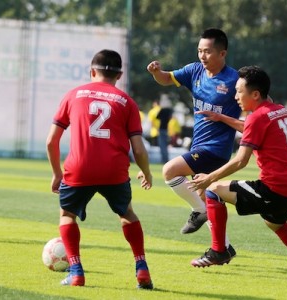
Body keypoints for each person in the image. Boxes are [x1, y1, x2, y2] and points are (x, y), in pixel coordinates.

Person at [188, 65, 287, 276]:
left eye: (239, 91)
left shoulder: (257, 118)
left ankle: (218, 251)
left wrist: (208, 178)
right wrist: (222, 118)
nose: (235, 97)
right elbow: (254, 128)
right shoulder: (279, 110)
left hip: (274, 189)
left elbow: (241, 161)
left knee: (214, 190)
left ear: (256, 94)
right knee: (275, 222)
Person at [46, 49, 154, 289]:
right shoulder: (127, 102)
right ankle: (142, 268)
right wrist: (146, 172)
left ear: (92, 71)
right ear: (120, 75)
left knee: (66, 215)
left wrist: (57, 173)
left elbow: (51, 141)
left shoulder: (73, 95)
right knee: (127, 214)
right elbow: (138, 149)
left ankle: (76, 272)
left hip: (79, 168)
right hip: (114, 170)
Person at [147, 28, 242, 257]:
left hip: (217, 149)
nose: (202, 56)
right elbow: (166, 79)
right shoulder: (194, 71)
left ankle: (198, 212)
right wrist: (156, 72)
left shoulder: (235, 80)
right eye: (199, 50)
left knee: (170, 171)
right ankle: (224, 247)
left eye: (207, 52)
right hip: (198, 146)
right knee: (208, 198)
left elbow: (261, 100)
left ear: (222, 53)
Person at [157, 96, 173, 163]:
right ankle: (166, 159)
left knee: (162, 145)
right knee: (165, 145)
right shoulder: (170, 110)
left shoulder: (162, 110)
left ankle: (163, 160)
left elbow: (157, 117)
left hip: (161, 128)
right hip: (166, 129)